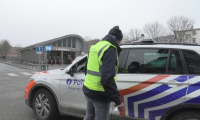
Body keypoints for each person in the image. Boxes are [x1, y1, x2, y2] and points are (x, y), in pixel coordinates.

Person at [83, 26, 125, 120]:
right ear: (117, 39)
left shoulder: (95, 46)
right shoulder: (110, 49)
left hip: (88, 89)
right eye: (119, 41)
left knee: (89, 116)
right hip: (100, 94)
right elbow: (107, 79)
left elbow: (86, 69)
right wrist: (118, 101)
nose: (119, 43)